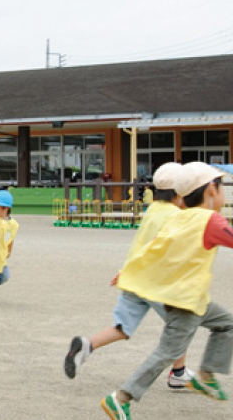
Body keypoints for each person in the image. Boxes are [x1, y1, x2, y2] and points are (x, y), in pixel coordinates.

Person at [101, 162, 233, 419]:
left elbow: (154, 248)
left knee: (226, 324)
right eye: (222, 187)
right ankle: (121, 397)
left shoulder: (178, 217)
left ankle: (206, 375)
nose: (223, 193)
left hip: (190, 298)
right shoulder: (209, 220)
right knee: (168, 352)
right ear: (211, 191)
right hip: (186, 301)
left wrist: (128, 271)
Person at [65, 162, 194, 389]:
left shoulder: (152, 210)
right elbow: (160, 247)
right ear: (181, 192)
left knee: (122, 327)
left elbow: (143, 243)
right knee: (182, 324)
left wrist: (125, 270)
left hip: (133, 277)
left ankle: (88, 345)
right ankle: (178, 372)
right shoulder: (177, 217)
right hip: (155, 282)